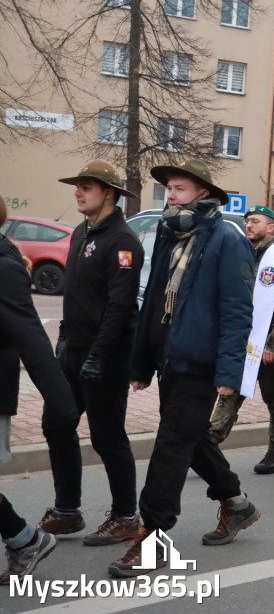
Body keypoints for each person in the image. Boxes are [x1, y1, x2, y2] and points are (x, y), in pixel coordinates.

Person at [114, 160, 259, 578]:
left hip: (200, 363)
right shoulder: (170, 233)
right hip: (169, 360)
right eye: (168, 189)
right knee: (189, 437)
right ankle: (236, 503)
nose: (170, 195)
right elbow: (155, 300)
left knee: (171, 444)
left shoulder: (227, 240)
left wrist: (230, 373)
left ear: (201, 193)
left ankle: (153, 537)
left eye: (178, 188)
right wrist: (142, 362)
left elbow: (237, 313)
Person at [37, 161, 143, 547]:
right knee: (56, 423)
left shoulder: (123, 241)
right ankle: (67, 511)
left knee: (107, 435)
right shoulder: (82, 231)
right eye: (77, 186)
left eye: (86, 187)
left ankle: (127, 517)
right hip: (73, 349)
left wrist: (98, 356)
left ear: (109, 193)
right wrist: (64, 339)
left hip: (107, 355)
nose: (78, 193)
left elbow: (119, 307)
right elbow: (77, 295)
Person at [0, 195, 75, 585]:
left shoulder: (4, 266)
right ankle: (24, 538)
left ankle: (24, 539)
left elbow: (30, 335)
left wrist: (61, 400)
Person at [209, 205, 274, 475]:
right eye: (247, 221)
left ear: (270, 227)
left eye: (255, 222)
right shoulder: (243, 254)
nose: (249, 225)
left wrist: (273, 343)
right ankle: (207, 445)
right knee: (230, 392)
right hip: (241, 341)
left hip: (271, 347)